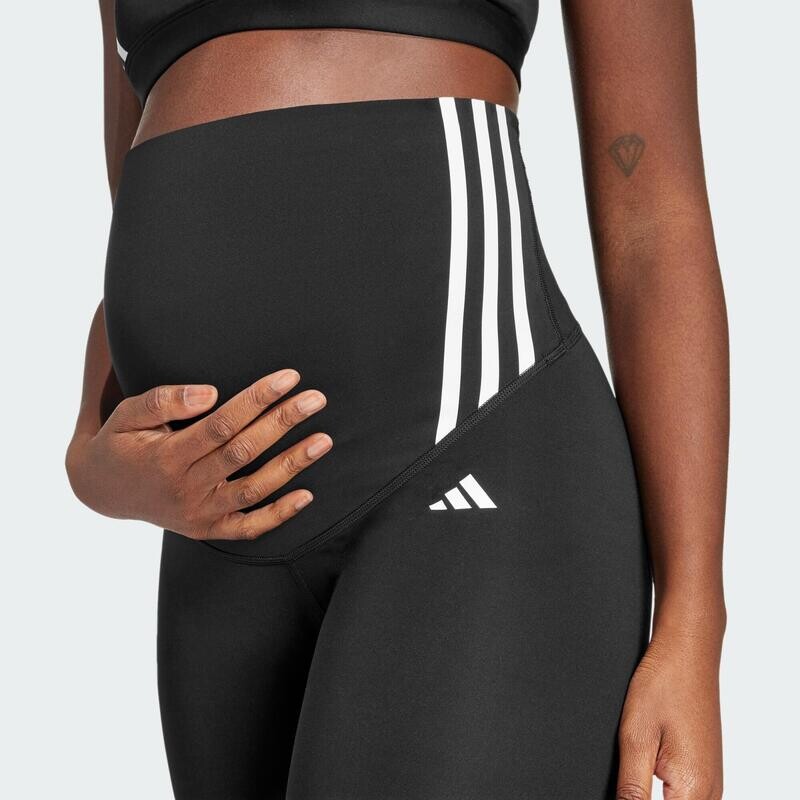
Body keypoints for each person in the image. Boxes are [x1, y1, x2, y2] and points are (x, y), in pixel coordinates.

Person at [66, 1, 728, 798]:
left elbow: (652, 215)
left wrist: (693, 621)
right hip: (217, 527)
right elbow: (143, 201)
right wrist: (90, 457)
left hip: (471, 453)